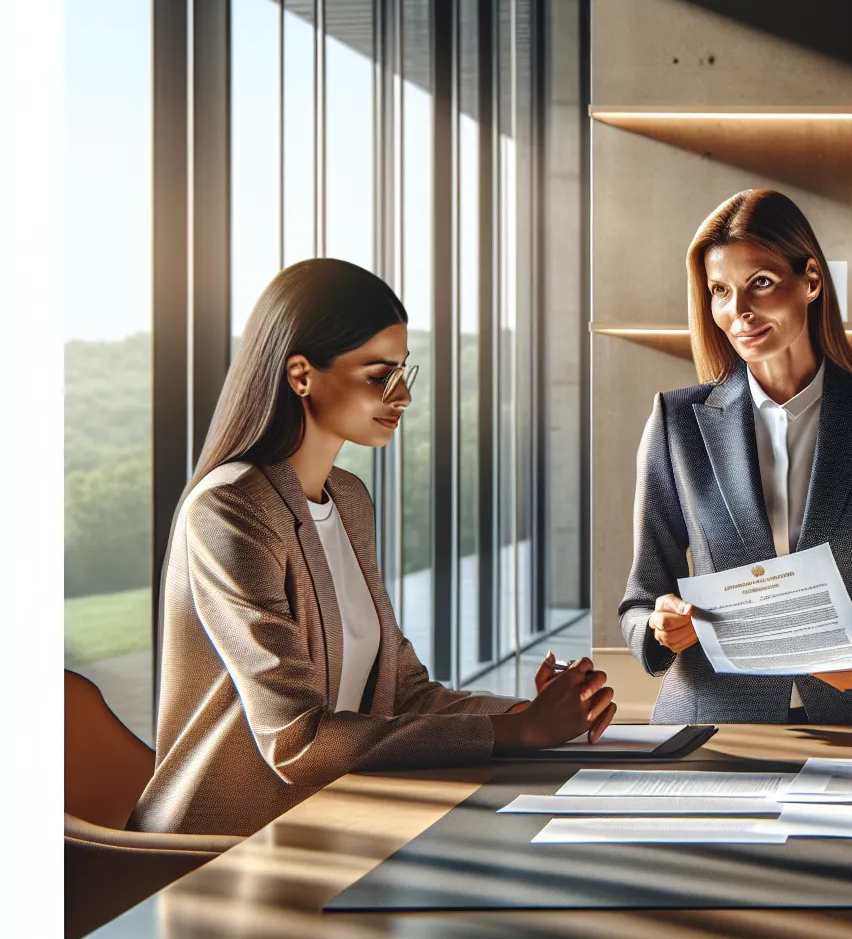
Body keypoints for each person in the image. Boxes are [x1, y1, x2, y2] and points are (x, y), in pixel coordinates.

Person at [133, 259, 615, 837]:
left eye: (403, 371)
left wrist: (526, 714)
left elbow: (403, 693)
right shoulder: (231, 509)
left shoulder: (348, 498)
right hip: (225, 845)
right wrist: (518, 734)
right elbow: (295, 740)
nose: (403, 395)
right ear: (301, 375)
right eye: (377, 374)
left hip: (331, 819)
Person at [620, 189, 852, 723]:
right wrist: (660, 626)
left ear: (812, 281)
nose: (739, 312)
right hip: (716, 720)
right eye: (720, 291)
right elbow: (640, 601)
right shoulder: (676, 424)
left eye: (761, 283)